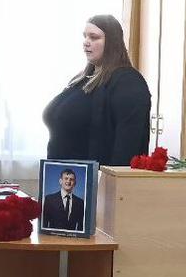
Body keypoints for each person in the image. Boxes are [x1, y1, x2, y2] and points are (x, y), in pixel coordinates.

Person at [43, 15, 152, 166]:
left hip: (93, 177)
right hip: (61, 175)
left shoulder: (127, 81)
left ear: (112, 42)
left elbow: (127, 147)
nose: (86, 42)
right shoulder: (81, 79)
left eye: (94, 37)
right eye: (85, 36)